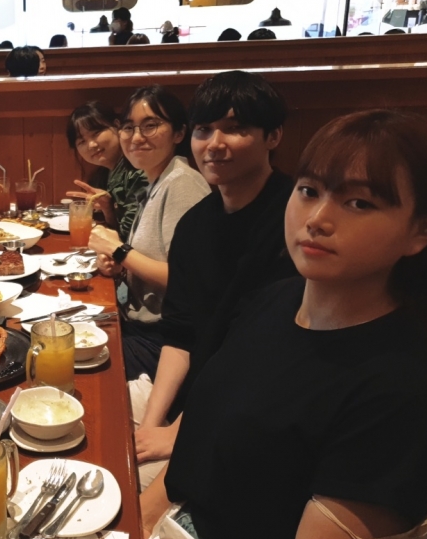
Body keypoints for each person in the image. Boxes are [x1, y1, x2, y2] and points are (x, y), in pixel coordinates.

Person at [143, 110, 427, 539]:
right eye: (309, 191)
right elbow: (199, 436)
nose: (317, 218)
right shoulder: (275, 301)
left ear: (420, 231)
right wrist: (137, 522)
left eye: (359, 203)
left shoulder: (404, 389)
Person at [133, 71, 298, 473]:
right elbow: (180, 336)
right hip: (196, 400)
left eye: (235, 129)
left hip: (257, 414)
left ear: (273, 136)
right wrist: (152, 425)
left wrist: (181, 432)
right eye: (204, 129)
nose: (214, 144)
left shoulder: (296, 222)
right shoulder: (195, 225)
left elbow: (266, 357)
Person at [87, 87, 210, 383]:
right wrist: (119, 265)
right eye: (128, 127)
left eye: (150, 125)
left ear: (179, 133)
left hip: (164, 342)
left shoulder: (182, 184)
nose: (136, 137)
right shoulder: (157, 180)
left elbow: (188, 281)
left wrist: (119, 251)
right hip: (139, 326)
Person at [64, 100, 148, 240]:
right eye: (82, 141)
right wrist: (107, 209)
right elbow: (120, 235)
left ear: (117, 125)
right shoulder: (106, 174)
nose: (91, 145)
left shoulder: (137, 171)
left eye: (96, 133)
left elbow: (130, 238)